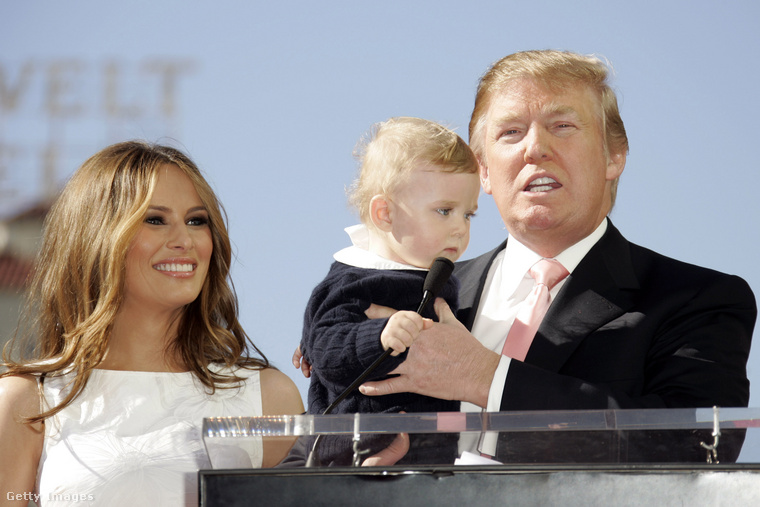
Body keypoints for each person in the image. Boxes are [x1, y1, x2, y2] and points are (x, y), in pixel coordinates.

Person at [299, 50, 756, 463]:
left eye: (562, 125)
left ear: (614, 155)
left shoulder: (701, 298)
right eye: (511, 132)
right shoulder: (409, 289)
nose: (535, 148)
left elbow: (695, 447)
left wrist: (487, 378)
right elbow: (313, 445)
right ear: (483, 171)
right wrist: (350, 468)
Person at [0, 141, 304, 506]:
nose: (185, 240)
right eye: (155, 220)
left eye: (197, 221)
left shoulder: (267, 397)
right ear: (97, 237)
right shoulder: (27, 402)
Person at [299, 117, 480, 465]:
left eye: (469, 214)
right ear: (385, 214)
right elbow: (327, 352)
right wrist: (379, 336)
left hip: (429, 458)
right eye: (444, 211)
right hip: (356, 455)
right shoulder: (353, 280)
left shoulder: (436, 277)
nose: (460, 227)